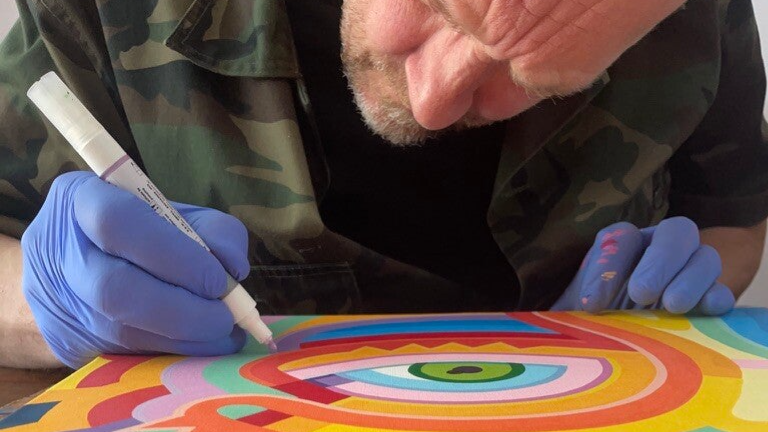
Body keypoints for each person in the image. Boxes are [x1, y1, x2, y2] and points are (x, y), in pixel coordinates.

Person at [1, 0, 766, 370]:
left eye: (539, 78)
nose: (435, 106)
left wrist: (671, 301)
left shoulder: (696, 16)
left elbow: (730, 218)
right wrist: (46, 306)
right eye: (445, 9)